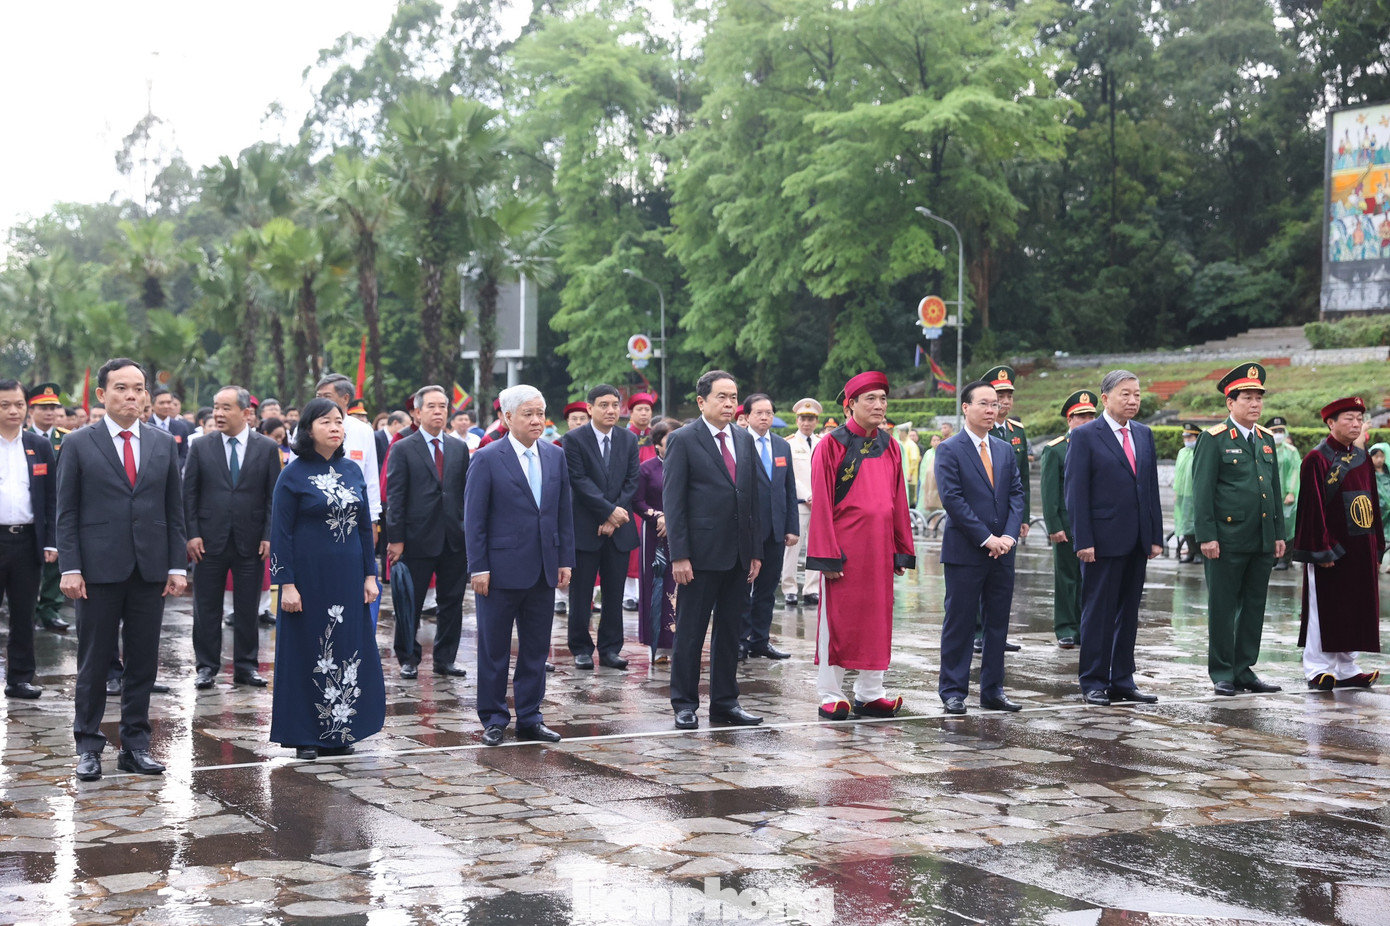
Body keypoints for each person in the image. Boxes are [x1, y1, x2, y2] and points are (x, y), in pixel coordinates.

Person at [59, 358, 188, 781]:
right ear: (102, 395)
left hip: (149, 568)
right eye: (121, 388)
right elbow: (67, 512)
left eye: (138, 388)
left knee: (143, 662)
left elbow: (173, 509)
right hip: (96, 570)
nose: (131, 396)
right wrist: (71, 567)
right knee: (95, 661)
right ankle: (88, 745)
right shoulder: (78, 443)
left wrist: (176, 564)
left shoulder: (162, 443)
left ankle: (135, 745)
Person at [268, 399, 384, 760]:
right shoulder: (293, 473)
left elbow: (365, 527)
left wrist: (370, 575)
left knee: (348, 649)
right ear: (307, 429)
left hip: (348, 578)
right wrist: (285, 583)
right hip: (308, 580)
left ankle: (340, 729)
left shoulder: (351, 470)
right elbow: (281, 532)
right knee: (307, 651)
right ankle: (305, 735)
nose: (336, 428)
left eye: (339, 422)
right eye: (326, 422)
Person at [465, 385, 575, 746]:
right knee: (494, 650)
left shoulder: (555, 455)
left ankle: (530, 716)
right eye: (528, 413)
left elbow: (563, 513)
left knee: (535, 650)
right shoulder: (487, 457)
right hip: (499, 571)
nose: (536, 420)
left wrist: (565, 560)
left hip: (543, 568)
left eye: (540, 412)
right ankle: (494, 718)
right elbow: (475, 518)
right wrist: (478, 567)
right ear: (506, 417)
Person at [808, 372, 916, 719]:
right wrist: (827, 554)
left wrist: (901, 547)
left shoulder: (891, 446)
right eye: (870, 399)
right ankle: (830, 692)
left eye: (883, 399)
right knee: (837, 621)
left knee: (878, 618)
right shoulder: (831, 445)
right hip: (845, 551)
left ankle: (870, 693)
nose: (879, 405)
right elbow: (823, 503)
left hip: (879, 550)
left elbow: (899, 500)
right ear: (850, 404)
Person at [663, 370, 763, 730]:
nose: (729, 404)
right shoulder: (683, 440)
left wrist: (754, 550)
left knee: (730, 633)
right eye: (722, 397)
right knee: (690, 632)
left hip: (737, 554)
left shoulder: (744, 439)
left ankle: (725, 702)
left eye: (734, 397)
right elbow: (673, 502)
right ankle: (685, 703)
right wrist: (679, 554)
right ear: (702, 401)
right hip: (698, 555)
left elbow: (750, 497)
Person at [1064, 369, 1163, 707]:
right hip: (1101, 541)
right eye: (1125, 394)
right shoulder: (1086, 436)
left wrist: (1155, 536)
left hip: (1136, 540)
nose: (1133, 400)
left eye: (1136, 394)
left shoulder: (1144, 434)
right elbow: (1076, 492)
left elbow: (1148, 489)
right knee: (1098, 612)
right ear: (1105, 398)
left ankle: (1122, 679)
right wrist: (1083, 540)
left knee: (1128, 613)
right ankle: (1093, 680)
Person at [1191, 364, 1285, 697]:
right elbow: (1202, 491)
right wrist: (1206, 536)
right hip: (1226, 540)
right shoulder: (1213, 438)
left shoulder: (1266, 439)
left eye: (1259, 398)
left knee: (1254, 606)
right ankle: (1222, 672)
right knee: (1223, 605)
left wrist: (1278, 534)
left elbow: (1274, 490)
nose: (1255, 404)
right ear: (1230, 403)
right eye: (1247, 398)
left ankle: (1244, 669)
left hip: (1260, 538)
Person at [935, 380, 1023, 715]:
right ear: (966, 408)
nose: (992, 410)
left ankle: (993, 689)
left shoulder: (1003, 449)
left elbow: (1016, 494)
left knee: (998, 622)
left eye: (995, 404)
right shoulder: (950, 449)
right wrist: (987, 538)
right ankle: (954, 691)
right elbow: (953, 500)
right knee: (959, 621)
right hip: (966, 551)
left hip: (1003, 551)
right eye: (984, 404)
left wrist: (1009, 537)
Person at [185, 386, 281, 690]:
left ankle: (246, 666)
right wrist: (192, 535)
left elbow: (272, 496)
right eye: (216, 407)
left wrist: (268, 535)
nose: (218, 413)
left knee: (248, 606)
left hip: (250, 540)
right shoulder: (201, 446)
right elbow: (189, 495)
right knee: (206, 608)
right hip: (208, 542)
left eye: (226, 407)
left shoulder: (266, 448)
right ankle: (206, 667)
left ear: (246, 413)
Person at [1291, 396, 1384, 689]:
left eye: (1359, 418)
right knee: (1325, 607)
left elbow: (1373, 503)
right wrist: (1321, 548)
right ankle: (1317, 668)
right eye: (1348, 418)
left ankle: (1346, 667)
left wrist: (1378, 544)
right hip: (1333, 549)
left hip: (1361, 546)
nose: (1355, 424)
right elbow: (1312, 507)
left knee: (1354, 605)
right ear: (1331, 423)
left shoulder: (1363, 457)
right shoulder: (1316, 459)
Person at [385, 385, 470, 680]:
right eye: (431, 406)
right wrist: (395, 539)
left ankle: (445, 659)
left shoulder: (459, 447)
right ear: (417, 412)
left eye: (443, 406)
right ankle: (408, 657)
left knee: (452, 601)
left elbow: (463, 493)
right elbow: (394, 497)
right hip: (415, 539)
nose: (438, 411)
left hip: (453, 538)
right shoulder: (403, 448)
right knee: (411, 602)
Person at [564, 384, 640, 670]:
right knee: (581, 593)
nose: (611, 410)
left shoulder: (629, 440)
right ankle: (581, 648)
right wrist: (608, 512)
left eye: (615, 405)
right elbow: (579, 481)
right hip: (587, 528)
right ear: (589, 408)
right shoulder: (573, 440)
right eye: (604, 405)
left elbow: (632, 481)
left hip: (619, 530)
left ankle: (610, 649)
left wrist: (615, 517)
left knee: (614, 593)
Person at [0, 380, 58, 700]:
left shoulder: (39, 446)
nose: (13, 410)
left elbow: (50, 499)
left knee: (24, 614)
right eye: (5, 404)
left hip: (26, 542)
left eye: (18, 405)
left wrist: (51, 541)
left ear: (26, 407)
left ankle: (20, 678)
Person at [739, 394, 799, 660]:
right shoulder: (738, 443)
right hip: (745, 530)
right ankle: (740, 639)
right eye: (759, 413)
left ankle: (760, 640)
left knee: (767, 589)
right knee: (741, 588)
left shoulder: (781, 446)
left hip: (775, 529)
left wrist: (792, 526)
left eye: (769, 413)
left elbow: (789, 489)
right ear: (748, 416)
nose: (765, 417)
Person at [1039, 390, 1097, 650]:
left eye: (1090, 416)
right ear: (1069, 420)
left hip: (1095, 525)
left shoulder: (1100, 444)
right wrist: (1054, 526)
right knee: (1067, 579)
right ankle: (1065, 628)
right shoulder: (1056, 450)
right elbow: (1049, 491)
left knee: (1091, 580)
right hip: (1066, 524)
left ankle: (1086, 627)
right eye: (1080, 416)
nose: (1086, 420)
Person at [978, 364, 1028, 654]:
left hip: (1008, 520)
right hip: (982, 521)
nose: (1005, 402)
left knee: (1003, 580)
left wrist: (1021, 519)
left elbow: (1021, 484)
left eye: (1008, 396)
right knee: (978, 576)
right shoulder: (976, 434)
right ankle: (977, 631)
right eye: (999, 396)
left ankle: (997, 632)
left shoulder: (1016, 432)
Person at [28, 382, 70, 634]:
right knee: (29, 563)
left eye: (53, 407)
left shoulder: (66, 438)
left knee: (57, 562)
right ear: (31, 409)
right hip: (30, 509)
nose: (49, 412)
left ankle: (50, 610)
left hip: (58, 508)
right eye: (43, 407)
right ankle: (27, 609)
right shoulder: (20, 437)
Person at [635, 419, 678, 663]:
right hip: (655, 534)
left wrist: (673, 519)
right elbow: (638, 502)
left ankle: (679, 642)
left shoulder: (688, 466)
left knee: (680, 587)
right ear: (657, 445)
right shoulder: (647, 469)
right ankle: (658, 644)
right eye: (667, 442)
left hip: (682, 532)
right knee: (657, 585)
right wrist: (658, 516)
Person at [782, 398, 823, 607]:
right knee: (792, 548)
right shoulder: (788, 444)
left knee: (815, 548)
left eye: (810, 419)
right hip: (798, 503)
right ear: (797, 420)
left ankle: (811, 588)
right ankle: (789, 589)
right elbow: (790, 476)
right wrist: (807, 495)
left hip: (819, 505)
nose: (806, 423)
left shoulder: (822, 443)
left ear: (816, 421)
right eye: (803, 419)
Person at [623, 393, 659, 609]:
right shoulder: (626, 437)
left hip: (653, 499)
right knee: (632, 547)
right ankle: (628, 594)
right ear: (631, 412)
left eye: (647, 410)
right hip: (631, 499)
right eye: (640, 409)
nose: (644, 413)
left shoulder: (656, 437)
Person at [1268, 416, 1300, 570]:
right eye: (1274, 431)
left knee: (1286, 527)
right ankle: (1273, 557)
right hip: (1269, 496)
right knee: (1270, 526)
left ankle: (1284, 558)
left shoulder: (1291, 451)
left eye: (1280, 431)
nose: (1278, 434)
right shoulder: (1264, 449)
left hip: (1286, 497)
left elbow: (1295, 471)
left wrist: (1291, 492)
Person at [1173, 422, 1201, 563]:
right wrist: (1176, 492)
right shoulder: (1182, 453)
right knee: (1185, 523)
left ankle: (1199, 553)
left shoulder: (1200, 453)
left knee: (1196, 524)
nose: (1187, 440)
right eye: (1185, 437)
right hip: (1183, 495)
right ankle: (1191, 551)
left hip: (1195, 495)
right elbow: (1178, 474)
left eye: (1190, 437)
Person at [150, 387, 193, 465]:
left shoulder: (181, 427)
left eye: (169, 402)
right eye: (161, 403)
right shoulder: (145, 424)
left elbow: (184, 454)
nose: (166, 406)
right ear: (152, 405)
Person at [1372, 442, 1390, 567]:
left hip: (1388, 512)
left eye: (1381, 456)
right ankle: (1376, 562)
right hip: (1378, 511)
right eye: (1376, 456)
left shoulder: (1388, 474)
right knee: (1377, 539)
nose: (1379, 459)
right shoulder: (1369, 475)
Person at [897, 424, 921, 506]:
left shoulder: (911, 445)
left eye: (899, 432)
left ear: (903, 432)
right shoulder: (901, 443)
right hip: (903, 477)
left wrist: (909, 474)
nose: (898, 434)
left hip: (910, 479)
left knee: (910, 501)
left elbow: (914, 460)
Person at [917, 433, 942, 511]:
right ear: (931, 442)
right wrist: (923, 480)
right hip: (927, 481)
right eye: (934, 440)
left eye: (938, 440)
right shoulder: (928, 453)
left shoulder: (943, 452)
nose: (936, 442)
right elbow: (923, 468)